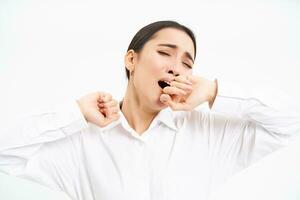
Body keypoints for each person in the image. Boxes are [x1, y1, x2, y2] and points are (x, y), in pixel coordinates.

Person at [0, 20, 299, 200]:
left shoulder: (208, 134)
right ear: (131, 60)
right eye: (165, 53)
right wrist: (76, 112)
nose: (176, 67)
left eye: (187, 63)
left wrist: (213, 92)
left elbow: (290, 121)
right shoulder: (84, 140)